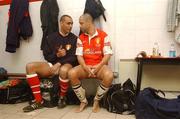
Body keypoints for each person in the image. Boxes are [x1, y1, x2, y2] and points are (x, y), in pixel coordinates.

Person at [23, 15, 78, 112]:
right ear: (61, 23)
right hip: (52, 65)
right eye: (68, 23)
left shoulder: (74, 38)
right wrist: (57, 55)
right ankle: (39, 101)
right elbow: (47, 56)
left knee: (64, 69)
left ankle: (62, 98)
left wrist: (59, 63)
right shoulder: (51, 37)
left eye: (72, 23)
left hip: (66, 65)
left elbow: (74, 58)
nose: (71, 26)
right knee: (29, 66)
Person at [68, 13, 113, 113]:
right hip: (86, 66)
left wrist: (98, 66)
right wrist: (85, 66)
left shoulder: (103, 35)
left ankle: (96, 100)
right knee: (71, 73)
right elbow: (79, 56)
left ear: (89, 22)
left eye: (81, 23)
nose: (79, 26)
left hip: (99, 66)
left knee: (109, 75)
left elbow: (108, 55)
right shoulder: (80, 38)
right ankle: (83, 101)